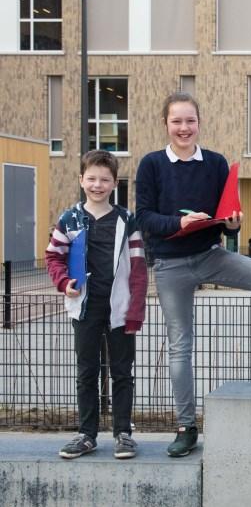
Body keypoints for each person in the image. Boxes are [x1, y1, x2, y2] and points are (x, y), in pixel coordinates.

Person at [136, 91, 251, 458]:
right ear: (165, 124)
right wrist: (178, 222)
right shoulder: (151, 165)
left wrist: (232, 223)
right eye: (177, 121)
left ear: (199, 123)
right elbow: (144, 218)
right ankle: (186, 425)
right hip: (171, 264)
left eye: (190, 121)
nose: (184, 128)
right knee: (181, 345)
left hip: (210, 254)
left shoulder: (214, 164)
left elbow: (226, 224)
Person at [45, 150, 148, 459]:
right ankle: (86, 434)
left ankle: (123, 434)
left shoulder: (127, 220)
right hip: (85, 308)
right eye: (91, 178)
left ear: (114, 183)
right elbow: (53, 256)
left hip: (119, 310)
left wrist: (136, 310)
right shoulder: (70, 218)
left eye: (104, 179)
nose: (97, 185)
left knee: (121, 372)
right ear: (81, 180)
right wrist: (64, 282)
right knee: (87, 371)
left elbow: (139, 268)